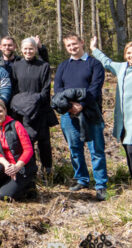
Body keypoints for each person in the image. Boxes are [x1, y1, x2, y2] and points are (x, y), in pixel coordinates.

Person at [53, 34, 107, 200]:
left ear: (82, 43)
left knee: (96, 150)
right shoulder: (63, 66)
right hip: (69, 115)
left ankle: (100, 184)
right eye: (68, 45)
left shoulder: (94, 64)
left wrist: (81, 105)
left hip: (90, 112)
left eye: (74, 44)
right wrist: (69, 107)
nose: (72, 47)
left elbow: (95, 88)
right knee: (75, 149)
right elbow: (57, 89)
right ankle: (82, 179)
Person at [10, 37, 56, 176]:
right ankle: (29, 171)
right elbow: (14, 89)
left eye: (31, 48)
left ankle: (47, 171)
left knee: (44, 142)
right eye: (25, 48)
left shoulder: (43, 66)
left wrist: (34, 101)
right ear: (21, 49)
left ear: (36, 49)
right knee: (25, 142)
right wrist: (21, 105)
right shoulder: (16, 66)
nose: (28, 51)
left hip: (40, 110)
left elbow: (46, 90)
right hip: (21, 112)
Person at [90, 36, 132, 183]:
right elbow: (106, 62)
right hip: (123, 120)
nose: (130, 56)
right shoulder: (121, 68)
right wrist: (94, 49)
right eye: (128, 53)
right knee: (128, 149)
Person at [0, 100, 36, 201]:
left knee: (4, 197)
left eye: (0, 111)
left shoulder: (16, 125)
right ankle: (7, 184)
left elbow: (28, 149)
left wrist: (17, 166)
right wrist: (6, 164)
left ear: (5, 111)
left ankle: (28, 186)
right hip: (7, 166)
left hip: (21, 167)